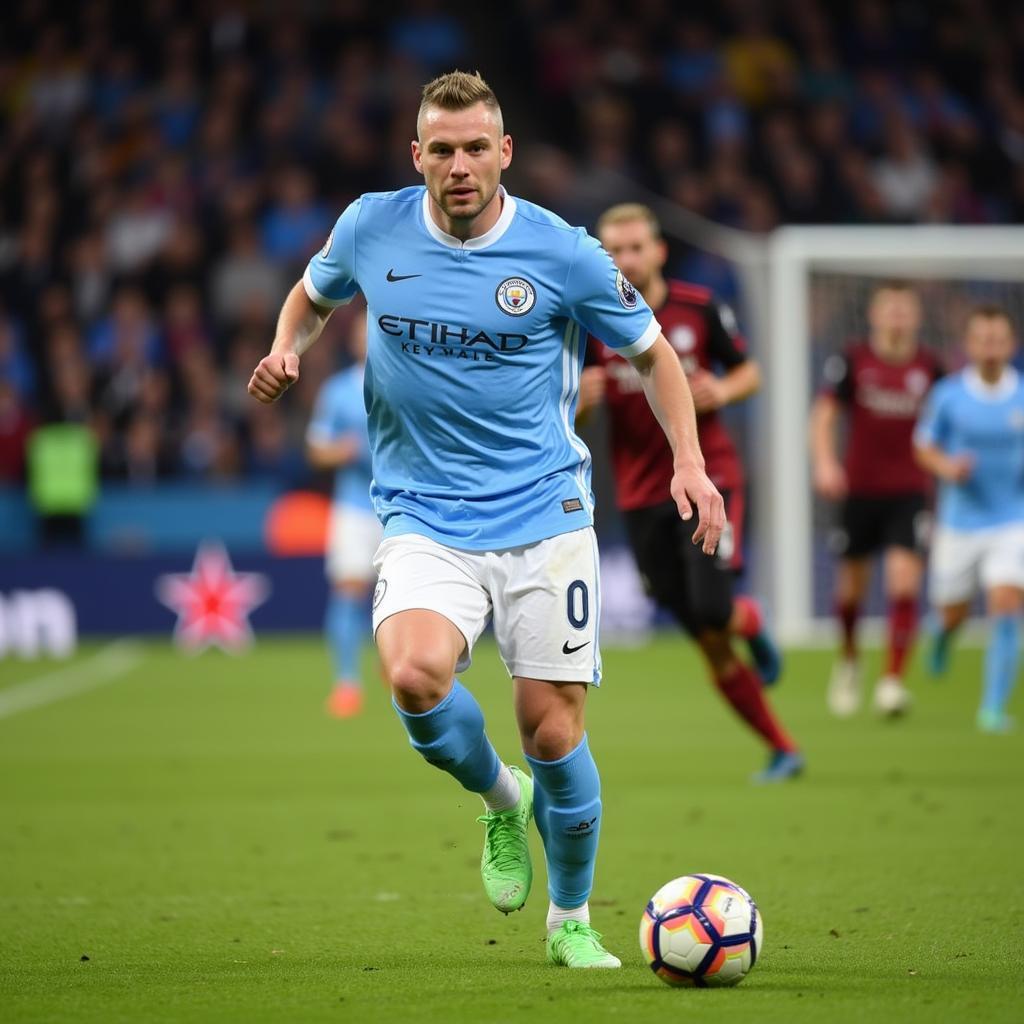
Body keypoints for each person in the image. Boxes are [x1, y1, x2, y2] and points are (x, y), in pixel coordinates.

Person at [247, 71, 725, 968]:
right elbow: (313, 297)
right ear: (416, 156)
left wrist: (689, 465)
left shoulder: (564, 252)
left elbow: (656, 355)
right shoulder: (369, 226)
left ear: (504, 153)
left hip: (546, 514)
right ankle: (503, 802)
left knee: (552, 727)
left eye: (476, 148)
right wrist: (285, 347)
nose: (459, 166)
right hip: (423, 513)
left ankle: (571, 920)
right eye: (443, 149)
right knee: (417, 678)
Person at [578, 203, 802, 783]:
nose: (626, 259)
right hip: (638, 496)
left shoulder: (699, 309)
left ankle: (744, 617)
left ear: (658, 252)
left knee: (711, 610)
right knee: (705, 636)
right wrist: (581, 398)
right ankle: (782, 745)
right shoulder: (589, 321)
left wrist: (721, 391)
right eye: (615, 251)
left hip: (707, 477)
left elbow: (749, 371)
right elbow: (559, 402)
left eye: (636, 248)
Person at [810, 281, 943, 717]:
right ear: (875, 316)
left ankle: (891, 681)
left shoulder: (932, 368)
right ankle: (849, 661)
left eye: (906, 310)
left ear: (917, 318)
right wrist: (826, 463)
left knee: (904, 582)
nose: (898, 317)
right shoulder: (853, 361)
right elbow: (824, 415)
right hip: (859, 492)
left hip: (910, 492)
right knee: (851, 590)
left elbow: (948, 421)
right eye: (891, 309)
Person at [914, 306, 1024, 733]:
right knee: (953, 612)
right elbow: (923, 447)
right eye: (983, 339)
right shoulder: (948, 395)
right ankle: (942, 635)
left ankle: (992, 709)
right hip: (959, 522)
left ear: (1011, 345)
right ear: (969, 345)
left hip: (1012, 521)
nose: (991, 348)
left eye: (998, 339)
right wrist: (947, 468)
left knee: (1005, 602)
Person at [306, 309, 380, 718]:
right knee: (349, 592)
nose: (367, 338)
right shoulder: (337, 391)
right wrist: (342, 451)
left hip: (400, 507)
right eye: (361, 332)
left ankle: (397, 668)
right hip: (354, 508)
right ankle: (347, 682)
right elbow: (315, 449)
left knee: (404, 599)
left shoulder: (409, 384)